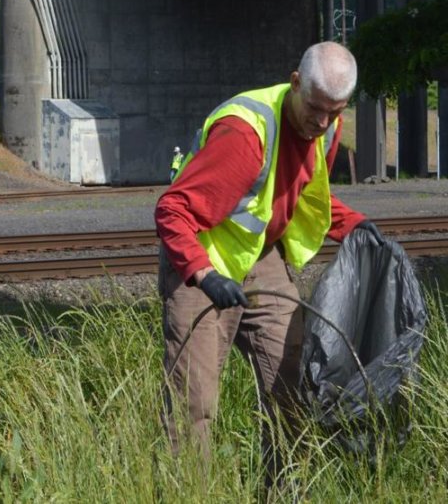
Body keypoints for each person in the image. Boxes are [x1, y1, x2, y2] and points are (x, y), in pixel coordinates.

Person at [156, 41, 379, 485]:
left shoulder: (327, 129)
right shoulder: (245, 134)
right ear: (295, 83)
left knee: (291, 383)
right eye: (315, 108)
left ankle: (281, 492)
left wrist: (355, 225)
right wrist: (205, 274)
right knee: (194, 402)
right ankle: (189, 494)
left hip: (261, 257)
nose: (322, 122)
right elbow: (172, 211)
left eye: (334, 112)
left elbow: (294, 193)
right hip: (201, 263)